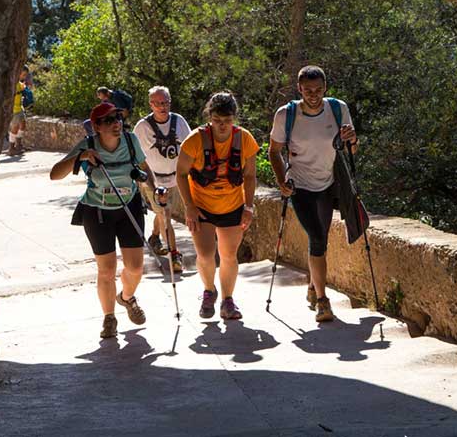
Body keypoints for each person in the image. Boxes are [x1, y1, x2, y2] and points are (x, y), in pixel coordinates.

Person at [49, 101, 158, 338]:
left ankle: (126, 298)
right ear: (97, 126)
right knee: (107, 270)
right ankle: (109, 318)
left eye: (117, 118)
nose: (116, 123)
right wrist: (81, 156)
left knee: (135, 267)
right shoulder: (88, 145)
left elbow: (143, 167)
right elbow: (54, 175)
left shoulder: (130, 140)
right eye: (108, 120)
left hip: (129, 207)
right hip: (97, 211)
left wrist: (155, 190)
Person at [268, 65, 358, 323]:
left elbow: (352, 151)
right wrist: (282, 180)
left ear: (325, 88)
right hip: (300, 187)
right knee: (317, 237)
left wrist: (352, 140)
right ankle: (322, 301)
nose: (314, 95)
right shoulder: (286, 115)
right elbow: (274, 151)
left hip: (328, 184)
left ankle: (312, 285)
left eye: (318, 90)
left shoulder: (338, 109)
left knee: (321, 240)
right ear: (299, 89)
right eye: (308, 90)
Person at [176, 92, 259, 320]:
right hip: (201, 206)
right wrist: (189, 206)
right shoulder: (195, 140)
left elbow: (250, 176)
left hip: (233, 205)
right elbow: (181, 174)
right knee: (205, 254)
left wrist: (248, 207)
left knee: (229, 255)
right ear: (209, 118)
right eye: (217, 120)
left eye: (227, 120)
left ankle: (227, 301)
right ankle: (208, 290)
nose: (222, 126)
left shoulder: (245, 139)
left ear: (234, 118)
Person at [133, 86, 191, 273]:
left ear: (170, 102)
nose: (162, 106)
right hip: (154, 181)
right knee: (165, 216)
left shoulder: (179, 122)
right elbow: (136, 156)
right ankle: (174, 255)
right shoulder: (142, 128)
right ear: (151, 104)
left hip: (176, 178)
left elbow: (191, 146)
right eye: (157, 103)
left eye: (165, 102)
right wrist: (145, 181)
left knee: (165, 212)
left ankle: (155, 237)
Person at [8, 66, 34, 156]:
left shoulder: (19, 83)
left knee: (23, 125)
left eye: (25, 75)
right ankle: (11, 148)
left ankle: (19, 145)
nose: (24, 77)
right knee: (15, 128)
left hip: (20, 108)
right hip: (14, 109)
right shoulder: (13, 84)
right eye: (23, 75)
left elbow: (25, 89)